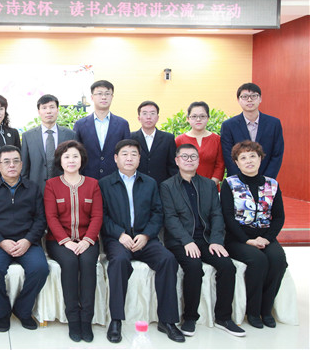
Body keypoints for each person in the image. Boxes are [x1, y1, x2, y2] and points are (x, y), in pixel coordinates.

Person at [98, 139, 184, 344]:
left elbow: (158, 213)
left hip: (146, 238)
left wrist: (146, 235)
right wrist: (120, 234)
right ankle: (116, 320)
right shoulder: (104, 184)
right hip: (118, 239)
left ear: (139, 159)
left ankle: (168, 321)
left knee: (168, 260)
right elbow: (102, 215)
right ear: (116, 158)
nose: (129, 158)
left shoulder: (150, 183)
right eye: (124, 154)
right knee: (119, 262)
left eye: (134, 154)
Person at [161, 144, 245, 337]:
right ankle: (190, 317)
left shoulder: (208, 185)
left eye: (193, 157)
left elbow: (217, 214)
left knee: (227, 266)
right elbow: (170, 218)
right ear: (177, 161)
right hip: (180, 241)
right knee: (193, 266)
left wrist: (216, 240)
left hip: (207, 239)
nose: (189, 160)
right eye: (185, 156)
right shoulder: (167, 186)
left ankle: (223, 318)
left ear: (198, 161)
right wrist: (186, 241)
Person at [0, 145, 49, 332]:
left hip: (27, 242)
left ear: (21, 165)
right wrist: (1, 242)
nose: (12, 165)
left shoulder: (33, 189)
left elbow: (40, 220)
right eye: (6, 162)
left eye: (16, 161)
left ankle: (23, 310)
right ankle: (3, 313)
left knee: (40, 269)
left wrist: (28, 240)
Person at [220, 140, 287, 329]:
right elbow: (227, 216)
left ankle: (266, 310)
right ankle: (253, 311)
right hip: (238, 237)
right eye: (243, 158)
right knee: (258, 260)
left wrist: (267, 238)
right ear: (236, 162)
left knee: (278, 259)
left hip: (265, 236)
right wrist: (247, 240)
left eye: (252, 156)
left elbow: (279, 216)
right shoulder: (230, 184)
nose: (248, 161)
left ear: (260, 159)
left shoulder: (272, 184)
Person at [44, 140, 102, 343]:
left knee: (87, 263)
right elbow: (51, 217)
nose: (71, 160)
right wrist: (66, 241)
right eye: (66, 156)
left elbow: (97, 216)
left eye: (75, 156)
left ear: (81, 160)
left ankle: (86, 319)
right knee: (69, 263)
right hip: (59, 241)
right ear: (60, 161)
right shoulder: (51, 185)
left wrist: (87, 240)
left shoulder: (93, 184)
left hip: (88, 239)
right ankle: (73, 319)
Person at [220, 83, 284, 179]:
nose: (249, 100)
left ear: (260, 99)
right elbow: (228, 156)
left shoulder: (274, 123)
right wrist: (241, 180)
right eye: (245, 96)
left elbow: (277, 154)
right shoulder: (228, 125)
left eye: (254, 96)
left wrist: (265, 179)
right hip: (238, 180)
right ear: (238, 100)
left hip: (266, 179)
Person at [73, 80, 130, 180]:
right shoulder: (80, 124)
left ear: (112, 97)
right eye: (99, 94)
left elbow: (126, 152)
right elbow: (75, 152)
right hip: (87, 178)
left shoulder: (122, 124)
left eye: (107, 94)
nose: (104, 97)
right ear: (92, 97)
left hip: (115, 179)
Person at [21, 94, 77, 193]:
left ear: (57, 110)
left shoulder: (70, 135)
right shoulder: (28, 136)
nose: (48, 111)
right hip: (36, 191)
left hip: (64, 189)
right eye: (44, 108)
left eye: (52, 107)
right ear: (39, 111)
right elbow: (24, 169)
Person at [175, 101, 224, 186]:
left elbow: (220, 165)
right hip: (185, 187)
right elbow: (174, 166)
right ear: (188, 119)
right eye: (194, 116)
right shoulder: (179, 140)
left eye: (202, 116)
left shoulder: (217, 139)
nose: (198, 119)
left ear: (208, 118)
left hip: (211, 186)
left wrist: (210, 185)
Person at [130, 100, 178, 184]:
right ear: (139, 118)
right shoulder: (131, 137)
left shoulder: (168, 138)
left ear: (157, 118)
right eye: (144, 113)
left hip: (162, 186)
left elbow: (172, 166)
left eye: (152, 113)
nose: (148, 117)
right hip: (137, 185)